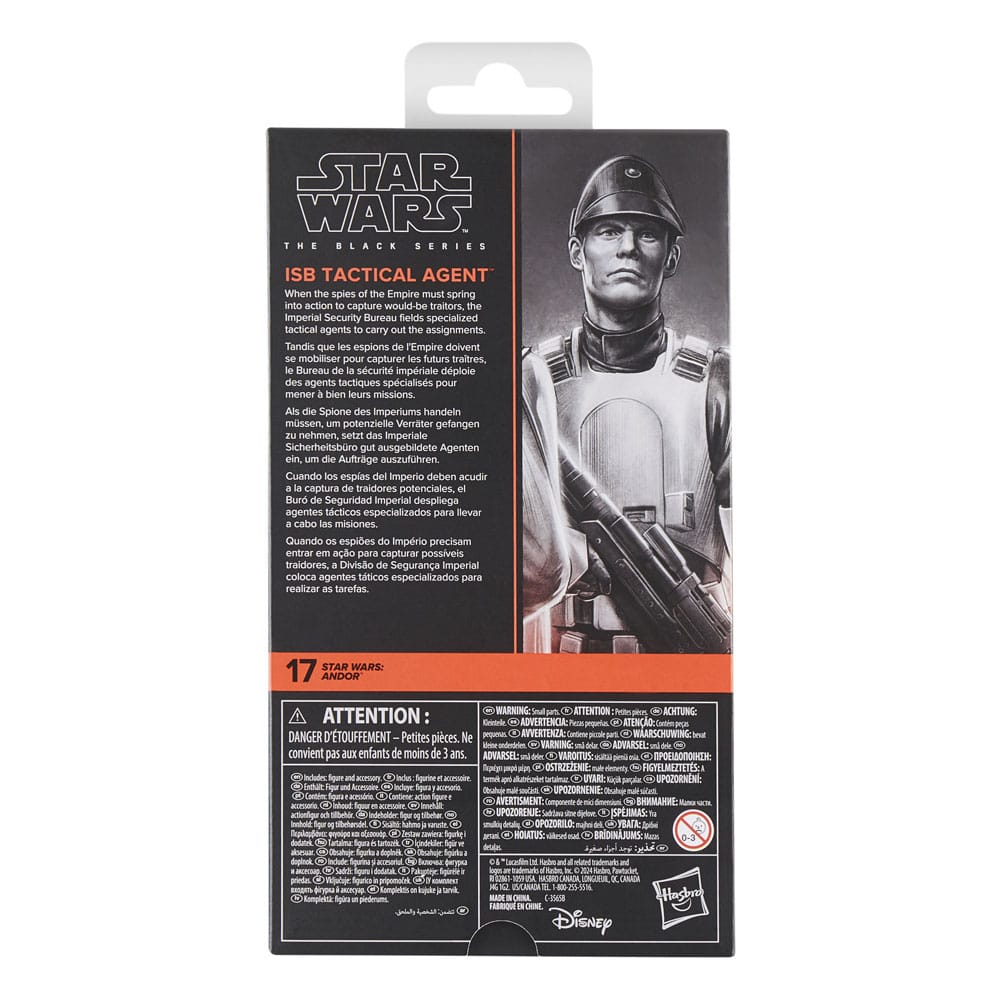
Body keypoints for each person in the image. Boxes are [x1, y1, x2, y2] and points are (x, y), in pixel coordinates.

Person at [531, 154, 731, 654]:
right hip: (560, 662)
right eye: (609, 232)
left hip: (690, 664)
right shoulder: (532, 380)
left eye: (646, 233)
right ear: (577, 252)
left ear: (671, 257)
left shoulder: (718, 383)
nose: (627, 248)